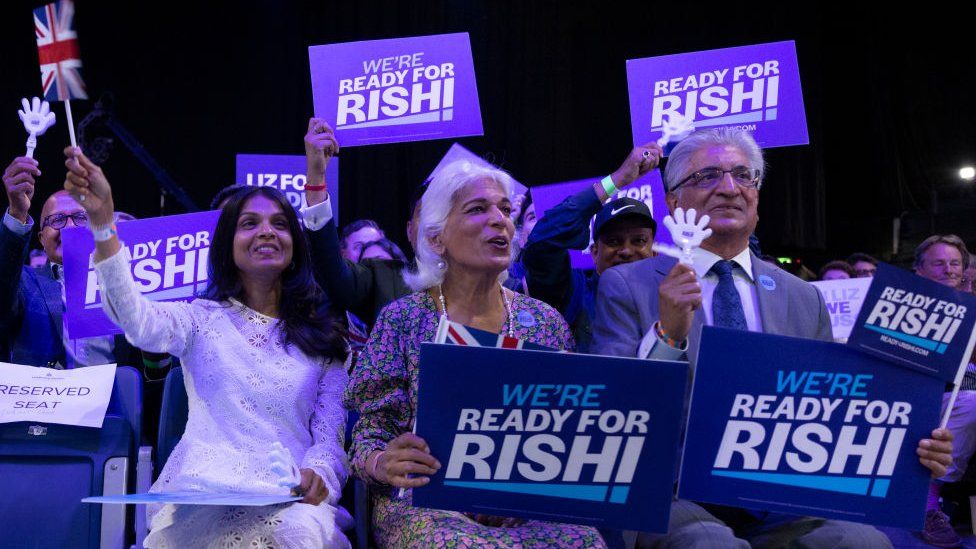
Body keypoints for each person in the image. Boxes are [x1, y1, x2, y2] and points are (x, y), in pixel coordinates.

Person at [591, 128, 953, 548]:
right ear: (673, 201)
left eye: (743, 176)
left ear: (757, 200)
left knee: (864, 542)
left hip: (783, 496)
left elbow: (835, 411)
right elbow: (611, 409)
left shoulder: (804, 297)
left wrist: (914, 445)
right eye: (707, 176)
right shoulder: (627, 284)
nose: (729, 188)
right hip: (672, 492)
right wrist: (667, 336)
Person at [62, 146, 352, 548]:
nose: (266, 231)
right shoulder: (199, 319)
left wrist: (318, 472)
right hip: (201, 494)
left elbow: (329, 437)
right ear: (228, 244)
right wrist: (103, 224)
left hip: (290, 499)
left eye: (280, 224)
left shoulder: (324, 339)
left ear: (294, 245)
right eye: (249, 223)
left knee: (296, 534)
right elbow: (137, 320)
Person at [342, 159, 606, 547]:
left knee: (585, 541)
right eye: (478, 209)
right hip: (426, 502)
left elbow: (569, 434)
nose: (499, 219)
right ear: (436, 238)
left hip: (527, 504)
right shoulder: (402, 319)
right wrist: (383, 462)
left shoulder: (545, 322)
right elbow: (368, 433)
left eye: (504, 208)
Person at [0, 156, 141, 369]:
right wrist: (18, 213)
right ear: (41, 238)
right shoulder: (23, 282)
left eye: (80, 218)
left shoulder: (126, 281)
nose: (68, 227)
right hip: (42, 397)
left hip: (114, 396)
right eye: (57, 220)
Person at [523, 144, 661, 352]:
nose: (626, 250)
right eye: (614, 241)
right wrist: (617, 180)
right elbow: (542, 241)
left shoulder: (671, 300)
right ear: (594, 252)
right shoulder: (573, 291)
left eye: (639, 241)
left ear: (655, 253)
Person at [301, 118, 414, 329]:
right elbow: (330, 266)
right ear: (411, 229)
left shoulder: (491, 275)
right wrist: (316, 178)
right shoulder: (382, 275)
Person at [913, 235, 975, 547]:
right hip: (917, 392)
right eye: (939, 263)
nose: (948, 269)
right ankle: (925, 504)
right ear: (920, 270)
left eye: (955, 264)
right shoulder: (903, 305)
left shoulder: (971, 307)